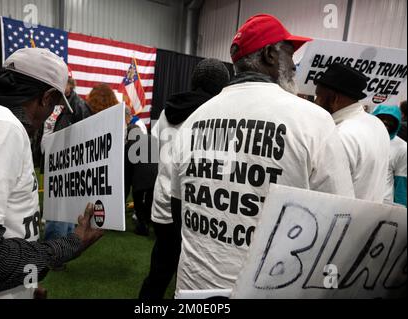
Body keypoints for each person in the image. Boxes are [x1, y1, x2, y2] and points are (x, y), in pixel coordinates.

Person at [168, 14, 355, 293]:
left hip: (194, 288)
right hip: (267, 290)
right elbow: (342, 218)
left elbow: (179, 207)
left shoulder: (194, 120)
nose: (294, 66)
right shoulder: (312, 121)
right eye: (289, 55)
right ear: (269, 54)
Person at [0, 48, 104, 298]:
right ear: (46, 97)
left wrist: (25, 281)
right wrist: (71, 244)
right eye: (56, 103)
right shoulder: (1, 127)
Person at [139, 58, 231, 299]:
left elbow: (156, 151)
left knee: (160, 268)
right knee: (194, 274)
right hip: (194, 207)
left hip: (162, 203)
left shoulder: (166, 111)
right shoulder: (219, 115)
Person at [314, 62, 390, 202]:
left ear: (334, 98)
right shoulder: (376, 123)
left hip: (347, 219)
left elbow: (326, 196)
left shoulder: (340, 136)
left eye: (318, 96)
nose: (316, 102)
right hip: (369, 217)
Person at [42, 74, 92, 245]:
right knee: (59, 205)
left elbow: (84, 135)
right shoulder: (53, 102)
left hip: (65, 163)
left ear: (70, 86)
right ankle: (64, 244)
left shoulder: (79, 105)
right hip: (52, 159)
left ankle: (56, 247)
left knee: (60, 207)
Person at [373, 105, 407, 207]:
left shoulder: (402, 147)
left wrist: (401, 211)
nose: (386, 122)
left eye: (391, 120)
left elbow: (401, 182)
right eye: (382, 118)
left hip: (383, 203)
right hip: (356, 198)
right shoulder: (361, 138)